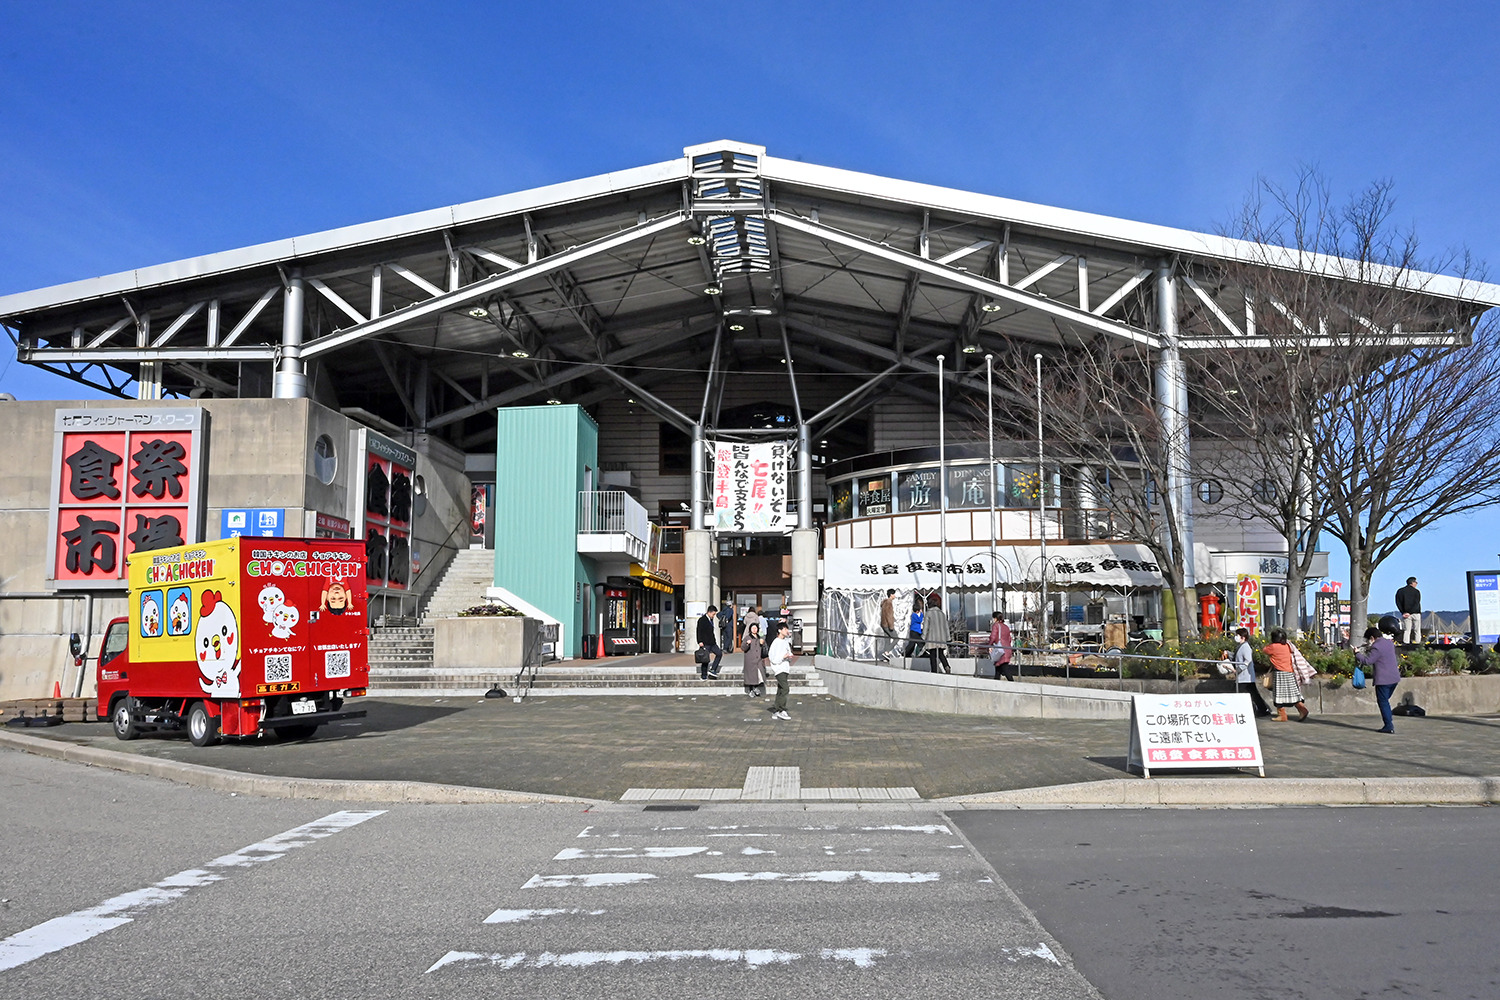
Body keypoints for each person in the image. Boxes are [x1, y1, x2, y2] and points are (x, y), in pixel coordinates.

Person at [1357, 625, 1401, 733]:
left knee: (1383, 702)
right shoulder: (1389, 643)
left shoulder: (1376, 647)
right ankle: (1389, 723)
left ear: (1372, 638)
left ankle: (1388, 726)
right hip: (1394, 678)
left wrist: (1357, 654)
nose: (1368, 642)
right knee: (1385, 700)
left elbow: (1368, 661)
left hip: (1383, 680)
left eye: (1368, 639)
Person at [1264, 627, 1308, 722]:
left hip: (1280, 674)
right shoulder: (1288, 646)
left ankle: (1282, 715)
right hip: (1290, 673)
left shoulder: (1273, 647)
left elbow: (1265, 650)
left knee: (1278, 695)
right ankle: (1302, 709)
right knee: (1294, 695)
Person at [1229, 627, 1272, 716]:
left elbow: (1247, 661)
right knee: (1253, 694)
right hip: (1244, 676)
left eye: (1237, 635)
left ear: (1243, 637)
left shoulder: (1246, 647)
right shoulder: (1241, 646)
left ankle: (1262, 710)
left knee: (1237, 692)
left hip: (1245, 676)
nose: (1236, 637)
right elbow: (1236, 657)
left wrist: (1238, 669)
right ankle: (1263, 709)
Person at [767, 621, 797, 720]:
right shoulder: (775, 642)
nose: (786, 631)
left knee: (780, 689)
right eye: (785, 629)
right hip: (779, 669)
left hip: (785, 668)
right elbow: (772, 658)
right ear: (779, 630)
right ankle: (781, 709)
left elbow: (788, 652)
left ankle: (777, 709)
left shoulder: (785, 642)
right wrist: (782, 657)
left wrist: (789, 656)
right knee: (785, 688)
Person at [922, 593, 951, 674]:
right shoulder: (942, 614)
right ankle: (947, 666)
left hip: (932, 637)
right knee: (941, 653)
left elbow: (926, 627)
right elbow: (946, 627)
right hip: (941, 637)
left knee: (932, 655)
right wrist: (948, 638)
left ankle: (934, 671)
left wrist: (923, 637)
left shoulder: (928, 613)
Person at [696, 605, 723, 680]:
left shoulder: (711, 620)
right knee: (705, 659)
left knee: (719, 654)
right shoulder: (702, 620)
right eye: (713, 614)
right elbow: (699, 631)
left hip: (712, 642)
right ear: (709, 612)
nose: (713, 616)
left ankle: (713, 669)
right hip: (705, 642)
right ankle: (703, 675)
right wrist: (699, 641)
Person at [741, 622, 767, 698]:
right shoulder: (747, 638)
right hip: (750, 660)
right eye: (753, 628)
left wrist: (763, 643)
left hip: (758, 660)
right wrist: (747, 644)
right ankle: (750, 690)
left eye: (755, 628)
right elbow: (743, 648)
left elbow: (764, 646)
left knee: (758, 675)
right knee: (751, 676)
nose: (754, 629)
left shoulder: (760, 637)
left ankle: (756, 688)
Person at [987, 611, 1014, 681]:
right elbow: (1009, 639)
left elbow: (993, 637)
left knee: (1004, 667)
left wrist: (989, 645)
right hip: (1007, 649)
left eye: (993, 618)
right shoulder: (1006, 627)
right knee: (998, 667)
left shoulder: (996, 625)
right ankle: (996, 683)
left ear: (995, 618)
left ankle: (1013, 683)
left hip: (1000, 649)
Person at [1395, 577, 1422, 646]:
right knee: (1417, 630)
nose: (1416, 584)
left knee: (1406, 630)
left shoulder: (1400, 591)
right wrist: (1411, 612)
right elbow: (1417, 603)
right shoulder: (1416, 592)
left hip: (1405, 614)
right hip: (1415, 613)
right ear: (1412, 583)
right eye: (1416, 582)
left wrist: (1403, 612)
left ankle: (1406, 644)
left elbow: (1398, 602)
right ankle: (1417, 643)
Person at [879, 589, 897, 660]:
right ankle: (887, 652)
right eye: (894, 594)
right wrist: (891, 626)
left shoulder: (885, 603)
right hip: (887, 624)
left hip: (883, 624)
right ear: (891, 595)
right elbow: (889, 615)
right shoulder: (889, 603)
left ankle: (885, 656)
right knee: (896, 638)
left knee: (887, 640)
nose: (894, 596)